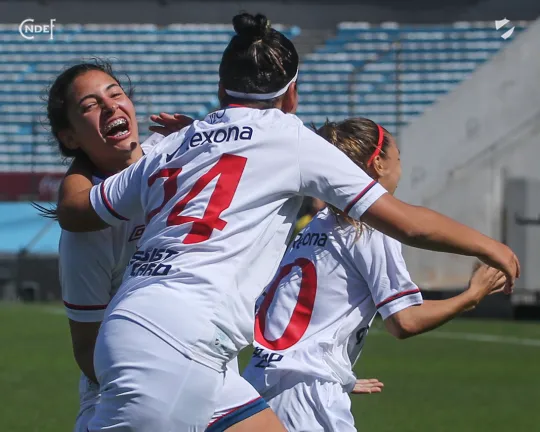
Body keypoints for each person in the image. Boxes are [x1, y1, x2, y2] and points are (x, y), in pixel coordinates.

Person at [55, 13, 519, 432]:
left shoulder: (180, 142)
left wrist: (81, 147)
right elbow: (407, 223)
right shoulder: (291, 140)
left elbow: (75, 210)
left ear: (222, 89)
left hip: (167, 333)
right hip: (181, 342)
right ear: (291, 94)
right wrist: (490, 246)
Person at [242, 118, 509, 431]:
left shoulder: (316, 225)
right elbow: (404, 321)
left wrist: (336, 372)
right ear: (379, 164)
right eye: (398, 158)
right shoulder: (370, 228)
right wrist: (471, 296)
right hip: (307, 395)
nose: (400, 168)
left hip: (260, 383)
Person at [36, 61, 195, 432]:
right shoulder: (85, 229)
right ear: (70, 138)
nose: (110, 107)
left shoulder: (176, 155)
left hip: (202, 365)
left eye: (115, 94)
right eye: (90, 106)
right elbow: (87, 347)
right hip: (127, 393)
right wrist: (148, 385)